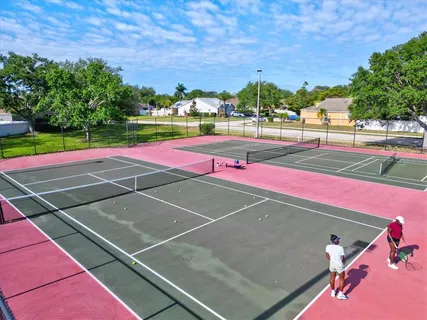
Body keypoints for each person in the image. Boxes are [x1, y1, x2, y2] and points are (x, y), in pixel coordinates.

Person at [325, 234, 348, 300]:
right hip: (339, 265)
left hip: (332, 264)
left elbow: (327, 255)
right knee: (342, 279)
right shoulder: (340, 248)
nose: (339, 241)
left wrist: (332, 260)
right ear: (336, 241)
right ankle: (340, 295)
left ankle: (333, 292)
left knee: (332, 278)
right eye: (338, 239)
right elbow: (342, 258)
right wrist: (343, 263)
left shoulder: (327, 247)